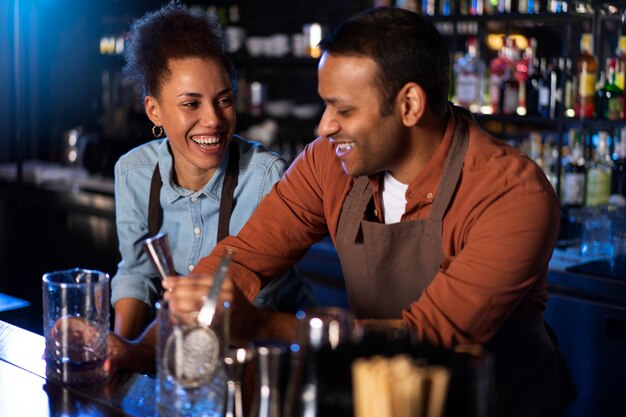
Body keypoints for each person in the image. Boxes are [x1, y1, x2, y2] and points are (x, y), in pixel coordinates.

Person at [113, 6, 576, 416]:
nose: (324, 125)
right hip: (380, 400)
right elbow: (241, 259)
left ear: (410, 105)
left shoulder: (512, 193)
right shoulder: (327, 161)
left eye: (342, 108)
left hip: (492, 405)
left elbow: (431, 339)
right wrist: (136, 352)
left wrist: (265, 325)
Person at [110, 2, 314, 340]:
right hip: (183, 346)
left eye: (224, 100)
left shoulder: (264, 178)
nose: (214, 120)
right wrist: (122, 351)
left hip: (263, 353)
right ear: (154, 110)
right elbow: (135, 274)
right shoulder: (134, 173)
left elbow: (254, 299)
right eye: (191, 104)